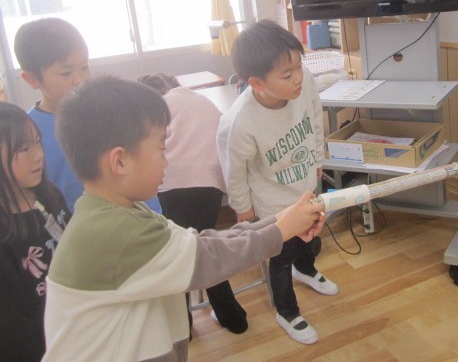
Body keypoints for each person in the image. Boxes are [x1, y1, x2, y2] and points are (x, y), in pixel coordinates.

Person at [43, 75, 325, 362]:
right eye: (161, 148)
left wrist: (280, 219)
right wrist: (282, 229)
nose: (166, 159)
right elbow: (208, 259)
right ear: (120, 161)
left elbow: (199, 242)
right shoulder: (113, 233)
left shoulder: (122, 213)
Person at [217, 19, 339, 345]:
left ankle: (306, 269)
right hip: (273, 204)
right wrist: (243, 209)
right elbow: (234, 171)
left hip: (305, 184)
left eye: (298, 66)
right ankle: (287, 311)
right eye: (287, 75)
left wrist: (317, 158)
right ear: (257, 82)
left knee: (310, 239)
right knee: (281, 257)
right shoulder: (239, 122)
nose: (298, 77)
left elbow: (315, 115)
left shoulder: (304, 82)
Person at [14, 17, 162, 215]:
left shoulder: (110, 112)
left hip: (137, 219)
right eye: (66, 73)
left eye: (84, 67)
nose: (80, 79)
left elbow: (138, 166)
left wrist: (153, 215)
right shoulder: (28, 133)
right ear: (32, 79)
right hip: (80, 227)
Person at [138, 73, 247, 335]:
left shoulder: (159, 107)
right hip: (211, 184)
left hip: (173, 184)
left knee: (180, 253)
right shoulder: (201, 100)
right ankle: (232, 317)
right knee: (201, 247)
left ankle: (184, 326)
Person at [0, 102, 70, 362]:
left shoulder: (50, 196)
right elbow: (12, 326)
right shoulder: (6, 230)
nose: (38, 155)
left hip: (73, 328)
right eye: (23, 148)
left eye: (37, 143)